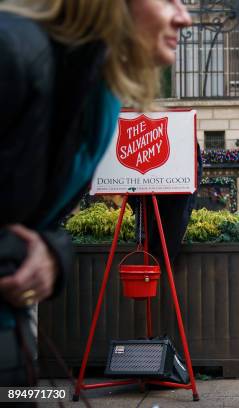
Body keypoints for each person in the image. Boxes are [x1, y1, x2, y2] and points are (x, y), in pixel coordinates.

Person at [0, 0, 192, 386]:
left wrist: (53, 254)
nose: (184, 16)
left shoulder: (101, 93)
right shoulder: (12, 50)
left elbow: (39, 223)